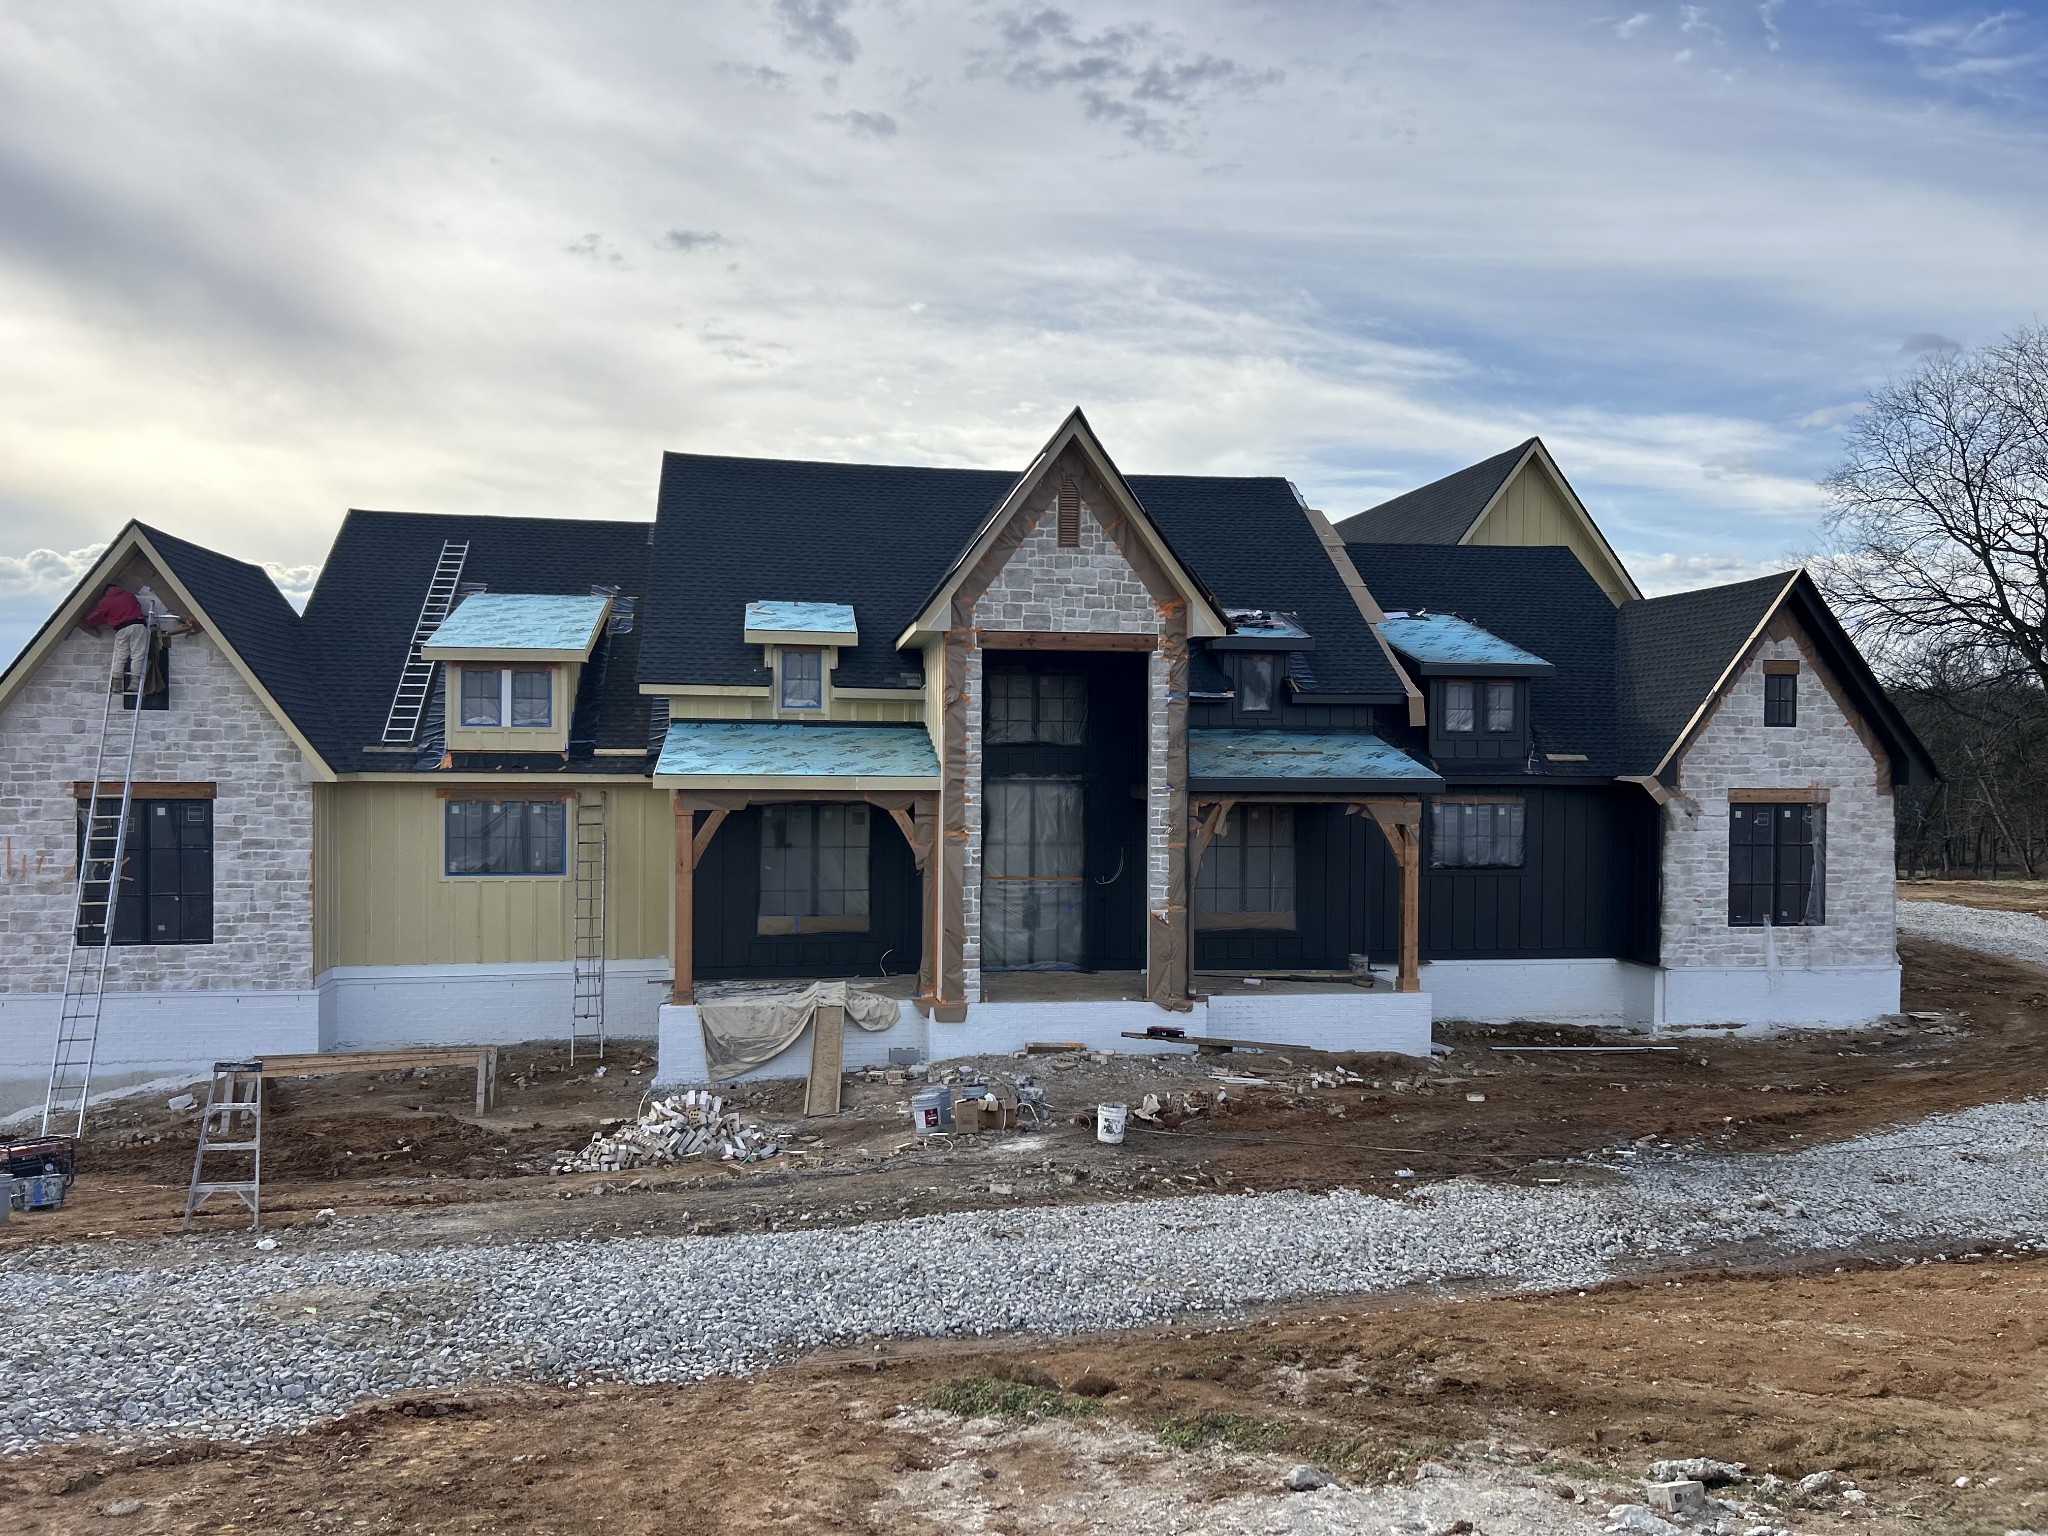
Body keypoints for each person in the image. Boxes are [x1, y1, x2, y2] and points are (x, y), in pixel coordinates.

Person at [82, 583, 149, 695]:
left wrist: (88, 622)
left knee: (121, 655)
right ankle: (134, 683)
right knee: (137, 655)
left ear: (106, 592)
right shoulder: (129, 595)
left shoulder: (105, 602)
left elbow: (95, 617)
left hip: (121, 629)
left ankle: (116, 684)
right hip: (138, 625)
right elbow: (138, 607)